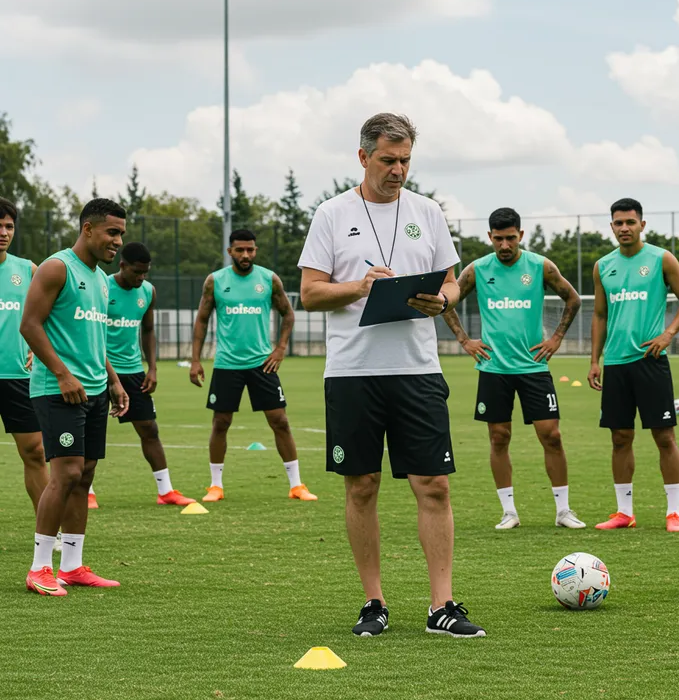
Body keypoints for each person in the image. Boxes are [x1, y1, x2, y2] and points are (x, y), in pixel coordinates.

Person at [299, 112, 486, 638]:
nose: (398, 169)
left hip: (417, 371)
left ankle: (442, 606)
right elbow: (311, 292)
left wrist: (440, 299)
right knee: (362, 486)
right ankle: (373, 602)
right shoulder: (331, 214)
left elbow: (452, 284)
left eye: (405, 160)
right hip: (353, 373)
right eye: (388, 160)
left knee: (435, 486)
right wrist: (360, 287)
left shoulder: (427, 212)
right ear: (363, 158)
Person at [443, 206, 585, 531]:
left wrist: (557, 338)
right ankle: (509, 512)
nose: (504, 245)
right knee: (499, 437)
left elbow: (573, 298)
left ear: (521, 235)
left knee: (551, 435)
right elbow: (446, 303)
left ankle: (563, 511)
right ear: (490, 237)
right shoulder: (478, 269)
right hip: (494, 369)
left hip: (534, 367)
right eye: (498, 239)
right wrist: (465, 341)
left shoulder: (540, 266)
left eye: (510, 239)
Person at [21, 198, 130, 596]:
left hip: (95, 389)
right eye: (112, 232)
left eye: (121, 234)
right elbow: (29, 325)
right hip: (58, 390)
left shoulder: (101, 279)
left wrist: (114, 381)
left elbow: (93, 338)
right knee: (65, 473)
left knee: (84, 477)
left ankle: (72, 566)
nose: (117, 241)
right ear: (88, 229)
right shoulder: (57, 267)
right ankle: (39, 568)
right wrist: (63, 375)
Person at [587, 197, 679, 533]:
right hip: (617, 364)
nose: (624, 228)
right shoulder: (603, 266)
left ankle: (674, 513)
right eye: (618, 223)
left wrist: (668, 334)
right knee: (620, 438)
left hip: (651, 362)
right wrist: (595, 360)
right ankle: (624, 513)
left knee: (664, 437)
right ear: (611, 227)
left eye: (630, 222)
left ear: (642, 225)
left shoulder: (661, 259)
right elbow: (600, 314)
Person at [190, 229, 317, 503]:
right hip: (226, 364)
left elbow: (288, 314)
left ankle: (296, 485)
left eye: (250, 250)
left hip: (262, 364)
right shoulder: (215, 281)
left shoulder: (268, 279)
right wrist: (196, 359)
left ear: (255, 251)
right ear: (230, 252)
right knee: (220, 423)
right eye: (240, 250)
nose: (245, 255)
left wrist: (281, 348)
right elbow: (201, 319)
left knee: (280, 421)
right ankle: (215, 486)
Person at [97, 241, 194, 506]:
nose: (141, 277)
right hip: (97, 368)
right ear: (122, 266)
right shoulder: (102, 287)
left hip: (132, 371)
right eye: (136, 272)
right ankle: (86, 492)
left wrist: (152, 367)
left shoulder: (148, 291)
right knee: (89, 430)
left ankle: (166, 491)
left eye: (145, 273)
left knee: (149, 429)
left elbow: (148, 331)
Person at [0, 198, 48, 513]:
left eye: (8, 226)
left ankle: (49, 532)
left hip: (17, 377)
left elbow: (47, 317)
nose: (3, 232)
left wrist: (36, 348)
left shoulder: (27, 269)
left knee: (35, 452)